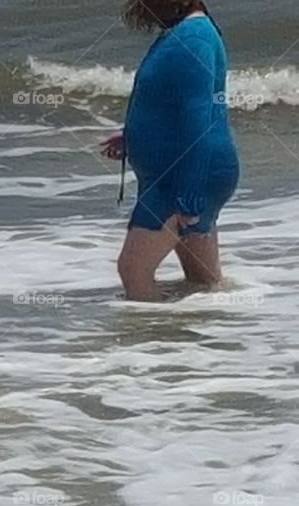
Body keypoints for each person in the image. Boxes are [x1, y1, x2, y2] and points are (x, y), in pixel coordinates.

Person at [101, 0, 239, 302]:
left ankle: (153, 346)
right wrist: (133, 136)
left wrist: (190, 191)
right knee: (204, 282)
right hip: (187, 170)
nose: (140, 7)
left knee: (134, 269)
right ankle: (211, 341)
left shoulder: (194, 38)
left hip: (182, 175)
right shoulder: (183, 33)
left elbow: (200, 116)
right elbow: (172, 103)